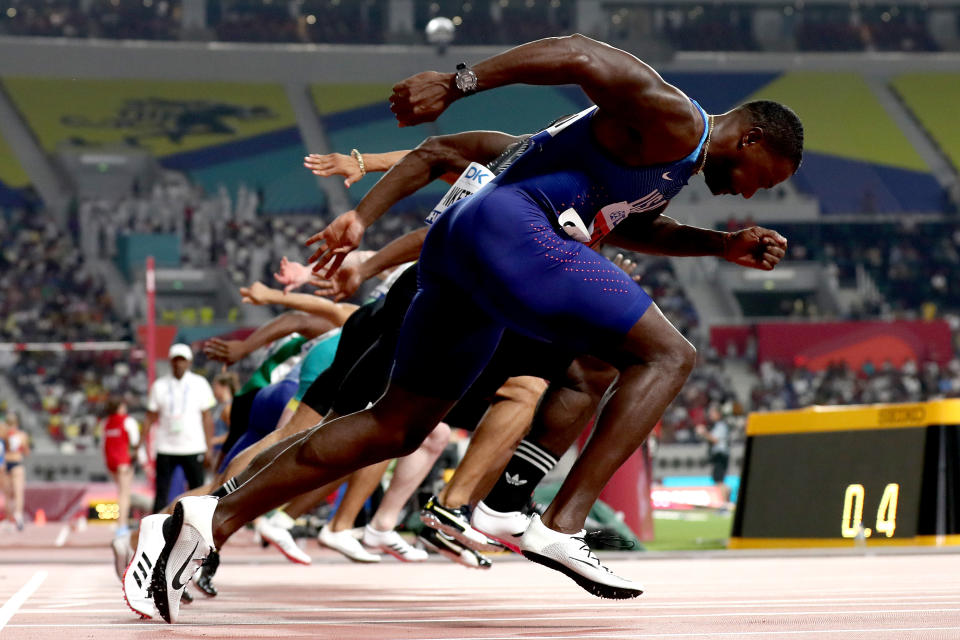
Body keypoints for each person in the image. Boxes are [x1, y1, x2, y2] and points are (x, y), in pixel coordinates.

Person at [152, 34, 800, 621]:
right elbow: (580, 54)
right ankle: (550, 520)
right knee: (668, 356)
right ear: (749, 140)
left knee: (400, 424)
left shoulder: (661, 162)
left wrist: (722, 245)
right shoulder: (677, 121)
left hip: (460, 247)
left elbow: (627, 223)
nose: (748, 196)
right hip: (515, 231)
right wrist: (456, 82)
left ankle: (208, 516)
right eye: (759, 179)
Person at [145, 343, 216, 514]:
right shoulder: (159, 386)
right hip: (165, 446)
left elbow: (207, 418)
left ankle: (198, 528)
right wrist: (141, 445)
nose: (179, 364)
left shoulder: (200, 383)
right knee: (161, 492)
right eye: (175, 360)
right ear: (170, 362)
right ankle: (155, 530)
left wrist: (209, 447)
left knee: (198, 492)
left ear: (189, 362)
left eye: (182, 360)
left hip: (194, 446)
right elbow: (150, 418)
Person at [103, 396, 141, 578]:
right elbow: (135, 442)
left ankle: (121, 523)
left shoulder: (107, 423)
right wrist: (140, 460)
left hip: (111, 461)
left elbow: (104, 443)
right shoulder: (128, 421)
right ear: (120, 406)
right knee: (124, 494)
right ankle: (122, 525)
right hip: (123, 460)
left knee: (121, 492)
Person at [695, 404, 732, 507]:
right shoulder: (718, 426)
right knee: (719, 480)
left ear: (719, 414)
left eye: (713, 413)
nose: (710, 415)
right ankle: (726, 501)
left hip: (720, 455)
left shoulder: (721, 425)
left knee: (719, 480)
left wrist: (704, 433)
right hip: (719, 455)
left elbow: (715, 440)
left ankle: (725, 504)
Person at [3, 413, 29, 531]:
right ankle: (17, 515)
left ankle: (10, 518)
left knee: (8, 495)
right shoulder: (22, 435)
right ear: (17, 424)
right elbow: (26, 452)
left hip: (5, 464)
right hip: (16, 463)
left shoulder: (3, 433)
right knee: (18, 493)